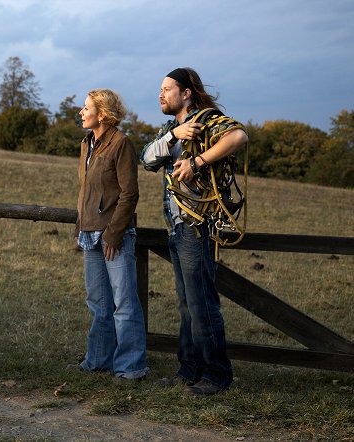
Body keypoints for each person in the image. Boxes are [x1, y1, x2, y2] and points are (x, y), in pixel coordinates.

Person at [139, 67, 248, 395]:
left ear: (186, 93)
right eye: (160, 89)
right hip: (177, 228)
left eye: (167, 88)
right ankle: (189, 370)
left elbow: (239, 136)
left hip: (198, 227)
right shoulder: (171, 128)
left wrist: (197, 162)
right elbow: (146, 160)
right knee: (187, 304)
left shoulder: (207, 119)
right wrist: (174, 136)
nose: (161, 94)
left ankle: (216, 375)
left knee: (201, 303)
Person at [70, 88, 149, 381]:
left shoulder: (121, 143)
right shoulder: (86, 143)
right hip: (90, 233)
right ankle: (98, 361)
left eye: (86, 107)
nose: (81, 112)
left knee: (124, 303)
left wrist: (114, 235)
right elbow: (86, 191)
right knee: (98, 303)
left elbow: (130, 194)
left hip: (113, 236)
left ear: (102, 114)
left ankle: (131, 367)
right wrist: (80, 228)